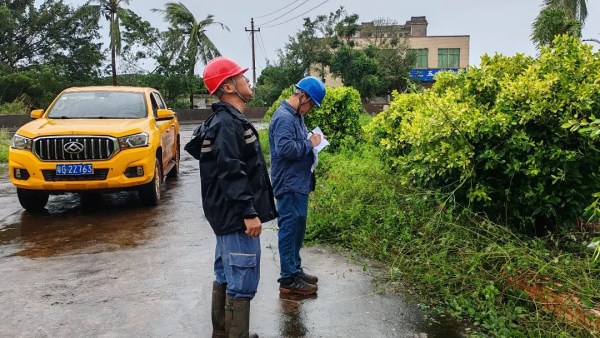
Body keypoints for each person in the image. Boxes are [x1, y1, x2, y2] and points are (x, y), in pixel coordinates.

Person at [185, 56, 277, 338]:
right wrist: (248, 212)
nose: (247, 81)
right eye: (241, 77)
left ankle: (222, 333)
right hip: (236, 218)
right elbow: (230, 172)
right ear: (228, 86)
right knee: (242, 281)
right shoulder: (227, 124)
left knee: (226, 275)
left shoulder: (227, 120)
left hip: (227, 216)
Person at [268, 76, 326, 296]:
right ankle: (288, 279)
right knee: (290, 229)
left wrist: (310, 139)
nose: (310, 110)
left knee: (297, 229)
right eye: (311, 104)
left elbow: (297, 141)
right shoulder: (284, 117)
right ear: (303, 96)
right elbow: (284, 149)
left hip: (298, 183)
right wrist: (309, 143)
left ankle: (295, 269)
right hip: (289, 184)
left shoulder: (295, 117)